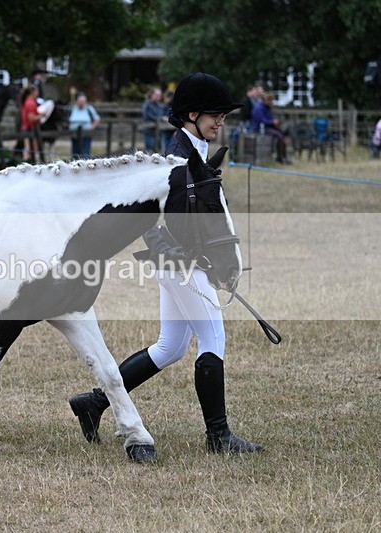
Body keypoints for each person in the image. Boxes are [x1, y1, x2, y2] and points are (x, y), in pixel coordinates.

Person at [68, 72, 263, 455]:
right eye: (214, 114)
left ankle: (93, 403)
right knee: (213, 338)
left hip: (180, 262)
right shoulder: (176, 158)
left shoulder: (196, 151)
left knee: (170, 347)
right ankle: (218, 436)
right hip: (179, 263)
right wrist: (185, 257)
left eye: (223, 115)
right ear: (191, 114)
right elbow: (153, 219)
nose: (220, 121)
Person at [252, 92, 291, 164]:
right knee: (279, 136)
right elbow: (262, 121)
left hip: (269, 127)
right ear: (266, 100)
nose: (272, 102)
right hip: (261, 129)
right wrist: (272, 122)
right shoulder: (259, 109)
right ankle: (282, 157)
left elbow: (269, 118)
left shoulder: (267, 108)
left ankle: (282, 157)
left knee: (281, 134)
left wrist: (274, 121)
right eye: (270, 100)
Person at [67, 92, 100, 158]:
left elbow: (97, 119)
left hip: (86, 135)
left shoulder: (89, 109)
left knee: (85, 154)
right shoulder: (72, 109)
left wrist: (91, 128)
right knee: (75, 154)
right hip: (74, 135)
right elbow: (68, 119)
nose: (82, 103)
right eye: (81, 101)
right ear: (77, 101)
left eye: (84, 101)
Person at [19, 84, 44, 162]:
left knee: (29, 151)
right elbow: (31, 118)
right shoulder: (30, 103)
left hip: (27, 129)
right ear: (33, 92)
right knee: (30, 152)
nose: (38, 93)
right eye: (36, 91)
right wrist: (41, 116)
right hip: (29, 129)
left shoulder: (28, 101)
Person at [141, 86, 166, 152]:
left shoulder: (159, 106)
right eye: (156, 95)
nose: (158, 97)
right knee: (150, 151)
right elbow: (147, 116)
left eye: (159, 95)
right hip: (150, 131)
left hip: (159, 131)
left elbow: (162, 114)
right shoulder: (147, 105)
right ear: (151, 95)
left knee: (159, 151)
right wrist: (161, 118)